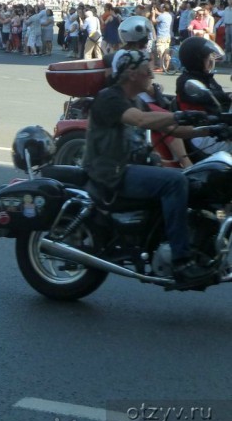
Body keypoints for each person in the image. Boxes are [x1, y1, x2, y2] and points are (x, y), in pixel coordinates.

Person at [83, 48, 218, 287]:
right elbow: (141, 121)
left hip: (130, 168)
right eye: (148, 70)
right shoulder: (110, 98)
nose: (152, 75)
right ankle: (181, 262)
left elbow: (172, 129)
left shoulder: (133, 99)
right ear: (132, 74)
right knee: (174, 182)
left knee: (195, 178)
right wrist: (178, 117)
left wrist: (211, 129)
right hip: (113, 172)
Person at [175, 37, 231, 156]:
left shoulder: (206, 78)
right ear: (197, 59)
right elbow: (210, 97)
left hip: (217, 127)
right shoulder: (186, 81)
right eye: (208, 56)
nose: (212, 59)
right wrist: (227, 97)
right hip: (201, 134)